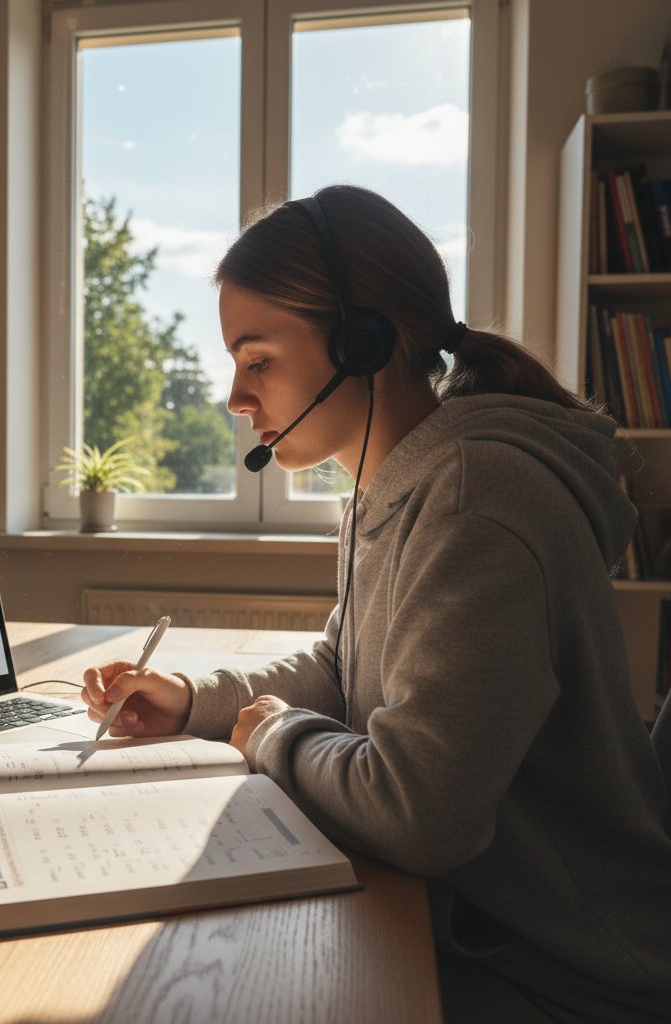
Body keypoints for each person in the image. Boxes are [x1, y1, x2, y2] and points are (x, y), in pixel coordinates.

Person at [81, 185, 671, 1023]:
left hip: (568, 972)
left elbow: (421, 812)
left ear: (365, 345)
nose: (235, 398)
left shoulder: (476, 499)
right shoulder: (395, 485)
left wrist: (276, 733)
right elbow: (342, 666)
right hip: (475, 924)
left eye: (258, 361)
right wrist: (194, 700)